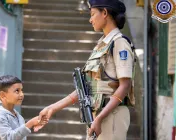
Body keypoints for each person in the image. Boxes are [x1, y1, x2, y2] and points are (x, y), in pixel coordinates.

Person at [38, 0, 136, 140]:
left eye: (92, 14)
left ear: (104, 13)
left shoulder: (119, 43)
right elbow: (85, 87)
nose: (90, 20)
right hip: (96, 116)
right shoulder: (101, 46)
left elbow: (124, 86)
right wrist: (53, 107)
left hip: (111, 116)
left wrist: (100, 118)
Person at [0, 75, 47, 140]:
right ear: (3, 95)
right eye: (17, 91)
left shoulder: (19, 117)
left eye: (22, 90)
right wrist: (31, 123)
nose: (21, 94)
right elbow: (9, 138)